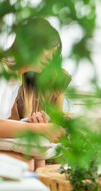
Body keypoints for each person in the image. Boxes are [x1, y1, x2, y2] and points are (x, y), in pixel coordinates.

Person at [0, 18, 69, 170]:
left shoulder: (15, 79)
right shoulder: (3, 72)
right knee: (28, 164)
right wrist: (40, 129)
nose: (51, 58)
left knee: (30, 162)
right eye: (48, 50)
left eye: (54, 53)